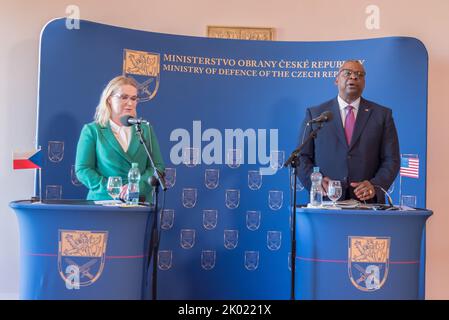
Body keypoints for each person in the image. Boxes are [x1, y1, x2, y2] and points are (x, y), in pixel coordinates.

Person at [297, 60, 400, 203]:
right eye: (347, 73)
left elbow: (391, 160)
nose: (353, 77)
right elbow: (302, 157)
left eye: (359, 74)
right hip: (326, 201)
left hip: (366, 204)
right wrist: (316, 181)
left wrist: (375, 185)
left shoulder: (382, 115)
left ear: (364, 82)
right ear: (336, 80)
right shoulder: (316, 114)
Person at [75, 75, 165, 201]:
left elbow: (158, 167)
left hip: (139, 203)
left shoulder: (145, 129)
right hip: (104, 202)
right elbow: (83, 170)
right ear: (109, 99)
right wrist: (113, 189)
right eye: (124, 97)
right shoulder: (92, 130)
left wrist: (136, 187)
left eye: (133, 98)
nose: (130, 103)